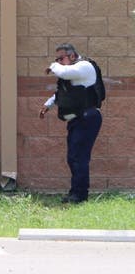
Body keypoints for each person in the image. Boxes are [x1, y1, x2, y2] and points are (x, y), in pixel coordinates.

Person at [39, 43, 103, 204]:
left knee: (79, 157)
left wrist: (53, 65)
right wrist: (48, 105)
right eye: (57, 59)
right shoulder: (71, 73)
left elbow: (64, 73)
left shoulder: (84, 66)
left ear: (72, 56)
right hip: (78, 118)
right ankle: (75, 192)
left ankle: (80, 195)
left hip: (89, 117)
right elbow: (62, 91)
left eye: (61, 58)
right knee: (73, 157)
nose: (59, 62)